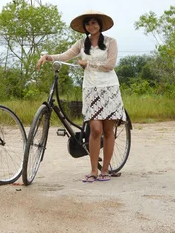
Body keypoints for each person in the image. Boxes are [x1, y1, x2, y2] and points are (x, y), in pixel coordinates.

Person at [37, 9, 126, 183]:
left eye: (94, 22)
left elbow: (110, 64)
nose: (91, 25)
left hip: (109, 88)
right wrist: (48, 57)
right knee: (95, 130)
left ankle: (105, 170)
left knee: (108, 131)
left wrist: (88, 63)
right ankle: (93, 170)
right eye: (88, 23)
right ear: (84, 27)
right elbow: (65, 55)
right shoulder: (81, 43)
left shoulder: (110, 42)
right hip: (90, 89)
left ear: (100, 25)